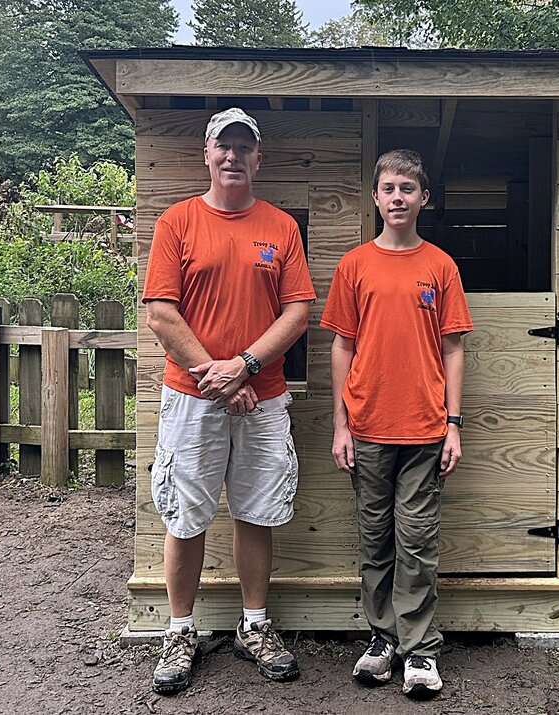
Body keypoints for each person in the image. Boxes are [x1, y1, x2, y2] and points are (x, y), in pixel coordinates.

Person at [143, 107, 315, 694]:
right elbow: (161, 311)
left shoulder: (281, 227)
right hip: (191, 397)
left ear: (258, 159)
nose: (233, 157)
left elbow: (297, 311)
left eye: (244, 148)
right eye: (224, 146)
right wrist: (213, 375)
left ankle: (254, 625)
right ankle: (180, 631)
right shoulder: (178, 222)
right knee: (186, 513)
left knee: (256, 510)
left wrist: (244, 368)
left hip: (262, 397)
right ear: (207, 154)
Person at [320, 149, 473, 700]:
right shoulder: (355, 265)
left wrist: (453, 423)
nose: (397, 198)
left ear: (423, 198)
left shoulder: (440, 266)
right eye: (388, 189)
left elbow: (453, 349)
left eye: (407, 189)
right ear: (376, 197)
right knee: (374, 540)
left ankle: (421, 651)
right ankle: (382, 641)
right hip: (367, 426)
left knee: (417, 541)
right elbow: (342, 346)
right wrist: (341, 424)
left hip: (426, 428)